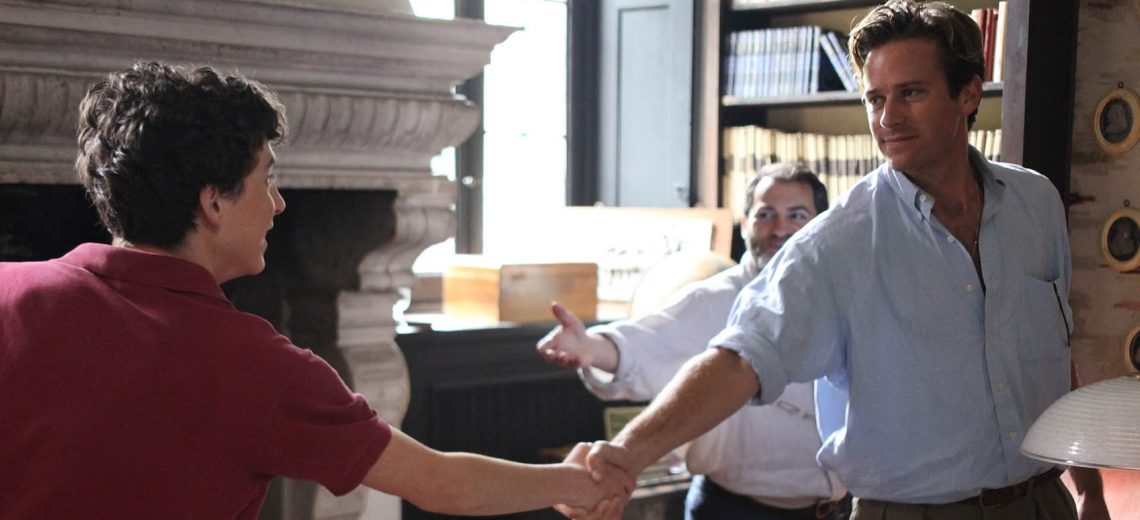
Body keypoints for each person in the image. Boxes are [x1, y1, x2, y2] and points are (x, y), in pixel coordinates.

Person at [0, 61, 631, 519]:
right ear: (214, 202)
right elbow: (441, 483)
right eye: (266, 181)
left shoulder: (9, 292)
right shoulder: (259, 367)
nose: (277, 204)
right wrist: (576, 482)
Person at [560, 2, 1110, 520]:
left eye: (911, 93)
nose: (888, 118)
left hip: (1045, 502)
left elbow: (1053, 352)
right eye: (875, 98)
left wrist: (1088, 487)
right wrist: (626, 453)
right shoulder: (836, 244)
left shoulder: (1035, 204)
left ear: (968, 93)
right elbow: (740, 360)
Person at [537, 163, 849, 520]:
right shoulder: (712, 300)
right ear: (745, 224)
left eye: (796, 215)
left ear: (820, 225)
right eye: (766, 215)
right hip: (734, 510)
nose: (779, 228)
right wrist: (591, 348)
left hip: (837, 509)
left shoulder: (845, 296)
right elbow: (648, 343)